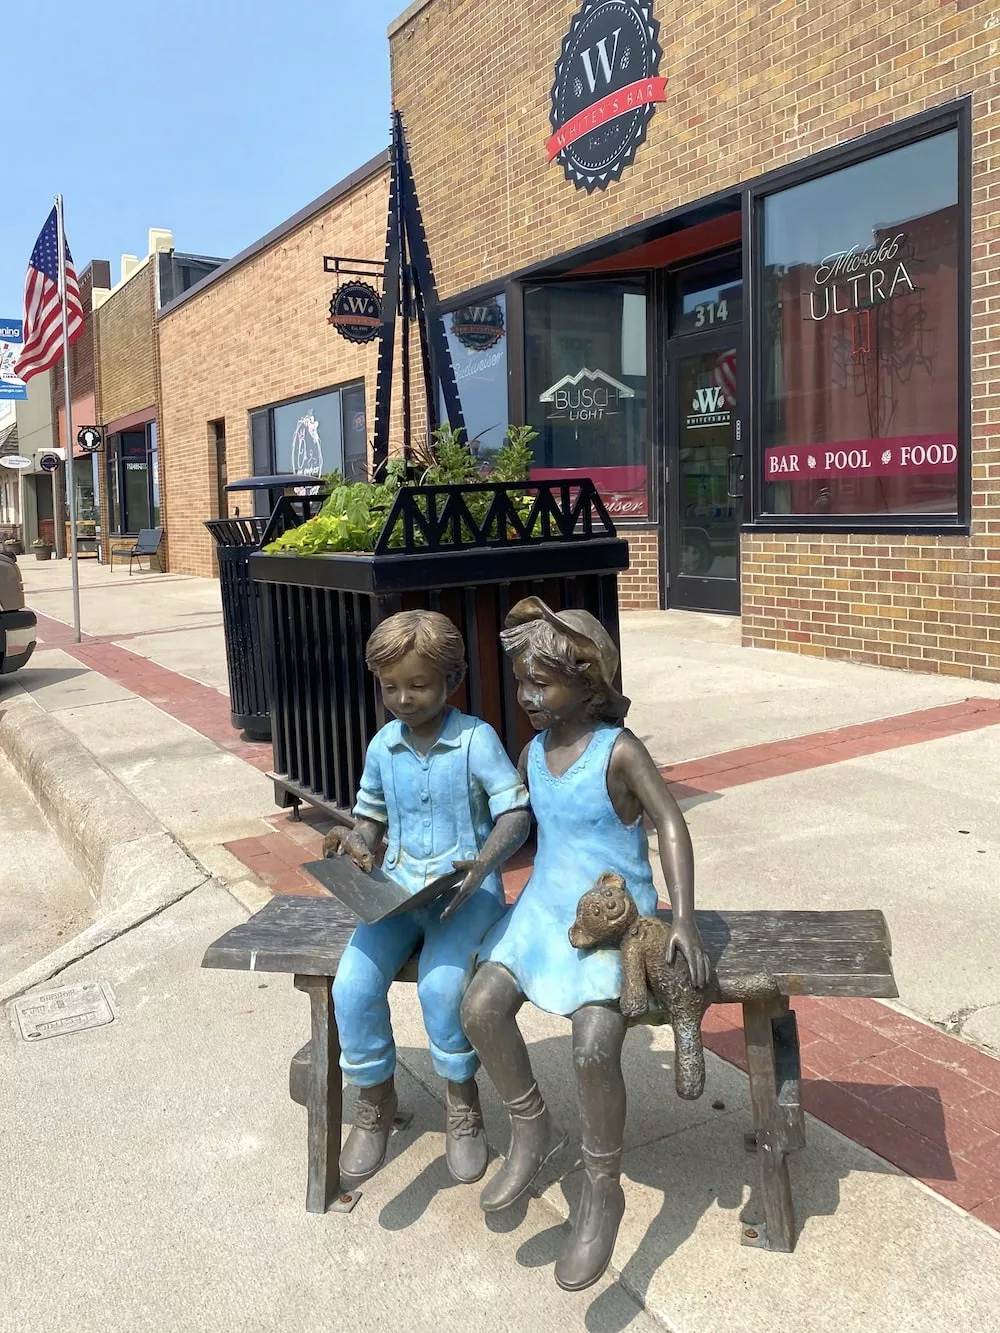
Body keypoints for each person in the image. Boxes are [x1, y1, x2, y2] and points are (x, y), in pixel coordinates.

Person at [461, 597, 710, 1292]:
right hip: (543, 910)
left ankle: (604, 1185)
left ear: (591, 680)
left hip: (610, 915)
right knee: (480, 1006)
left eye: (545, 683)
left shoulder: (619, 750)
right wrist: (481, 861)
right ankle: (531, 1125)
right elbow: (519, 817)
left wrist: (682, 915)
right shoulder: (533, 752)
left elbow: (668, 823)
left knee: (594, 1044)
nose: (529, 696)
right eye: (522, 682)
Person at [324, 610, 531, 1189]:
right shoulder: (384, 746)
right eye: (390, 687)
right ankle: (374, 1100)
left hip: (464, 895)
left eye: (417, 685)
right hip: (398, 893)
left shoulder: (475, 739)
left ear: (452, 680)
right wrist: (355, 842)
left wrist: (485, 863)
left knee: (444, 987)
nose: (403, 699)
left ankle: (461, 1101)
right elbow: (370, 817)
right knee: (352, 985)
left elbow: (514, 811)